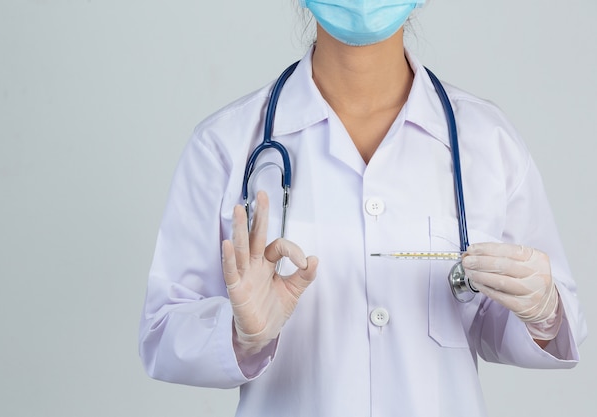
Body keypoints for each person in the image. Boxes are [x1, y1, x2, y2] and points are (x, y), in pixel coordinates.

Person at [139, 1, 587, 415]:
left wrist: (544, 310)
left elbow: (539, 325)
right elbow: (162, 333)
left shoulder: (486, 141)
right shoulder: (225, 145)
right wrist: (240, 334)